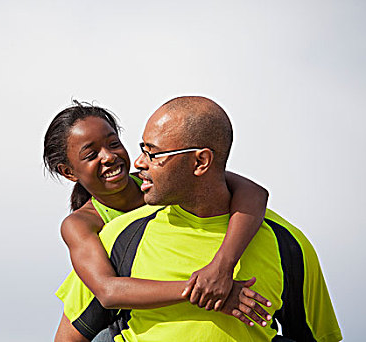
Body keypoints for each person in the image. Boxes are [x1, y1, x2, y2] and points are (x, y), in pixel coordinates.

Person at [54, 97, 342, 341]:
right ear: (69, 172)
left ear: (200, 163)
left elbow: (251, 192)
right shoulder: (106, 233)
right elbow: (107, 292)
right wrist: (205, 291)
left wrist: (221, 268)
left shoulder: (284, 242)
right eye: (91, 154)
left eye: (115, 144)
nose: (112, 158)